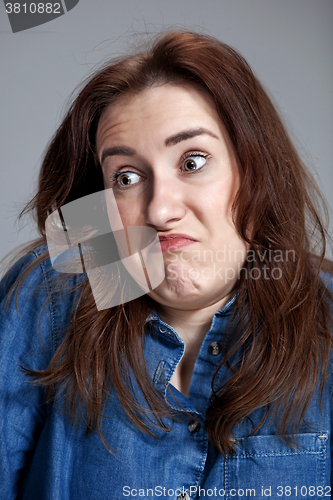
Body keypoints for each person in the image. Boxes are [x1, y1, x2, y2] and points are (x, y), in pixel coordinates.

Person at [0, 30, 332, 500]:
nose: (159, 210)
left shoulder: (326, 320)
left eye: (193, 161)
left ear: (255, 171)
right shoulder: (52, 295)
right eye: (127, 177)